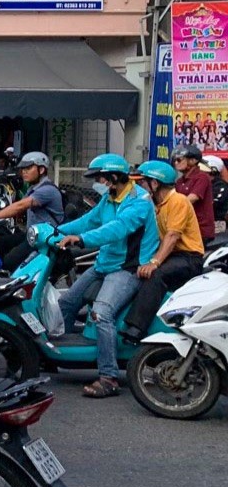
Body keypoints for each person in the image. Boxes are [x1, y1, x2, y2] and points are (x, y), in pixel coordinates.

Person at [55, 153, 159, 399]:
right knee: (67, 302)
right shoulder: (109, 199)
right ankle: (66, 356)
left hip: (127, 269)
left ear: (113, 177)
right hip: (104, 265)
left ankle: (108, 376)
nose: (99, 182)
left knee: (102, 314)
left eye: (101, 177)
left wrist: (80, 240)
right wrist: (55, 231)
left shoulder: (139, 203)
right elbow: (88, 221)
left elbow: (116, 230)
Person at [122, 160, 204, 341]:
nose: (139, 186)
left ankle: (136, 328)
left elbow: (172, 236)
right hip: (174, 256)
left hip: (189, 258)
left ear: (155, 183)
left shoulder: (178, 201)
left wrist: (154, 263)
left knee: (155, 275)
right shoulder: (158, 205)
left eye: (143, 182)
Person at [0, 151, 64, 271]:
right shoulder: (33, 188)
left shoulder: (47, 190)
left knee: (8, 263)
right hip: (32, 235)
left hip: (43, 241)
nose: (24, 172)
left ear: (41, 170)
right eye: (23, 169)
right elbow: (17, 209)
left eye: (28, 168)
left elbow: (20, 206)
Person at [173, 145, 216, 244]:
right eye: (175, 160)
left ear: (193, 160)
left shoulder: (202, 177)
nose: (176, 163)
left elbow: (192, 198)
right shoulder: (179, 181)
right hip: (185, 228)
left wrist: (172, 208)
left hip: (200, 230)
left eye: (179, 160)